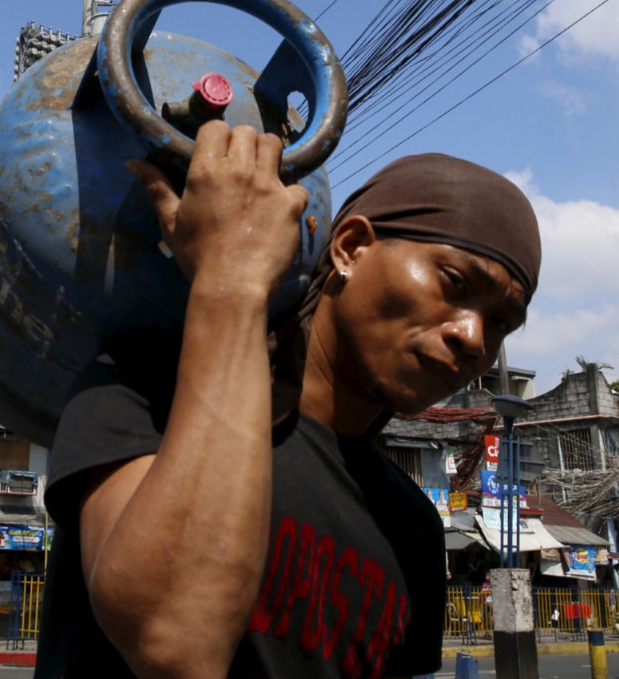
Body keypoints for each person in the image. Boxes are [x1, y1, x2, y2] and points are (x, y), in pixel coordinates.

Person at [34, 122, 542, 678]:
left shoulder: (415, 526)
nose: (474, 339)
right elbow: (175, 642)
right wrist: (233, 277)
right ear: (349, 247)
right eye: (454, 283)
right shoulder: (142, 387)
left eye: (500, 323)